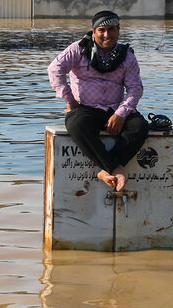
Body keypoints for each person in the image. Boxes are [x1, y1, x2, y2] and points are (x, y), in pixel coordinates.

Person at [48, 10, 149, 192]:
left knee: (139, 127)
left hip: (115, 109)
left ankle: (105, 169)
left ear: (118, 30)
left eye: (111, 29)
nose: (106, 35)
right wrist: (70, 101)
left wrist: (121, 113)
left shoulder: (127, 56)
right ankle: (115, 168)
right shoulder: (79, 49)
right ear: (94, 32)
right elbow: (54, 70)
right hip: (86, 108)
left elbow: (135, 88)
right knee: (76, 125)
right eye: (101, 30)